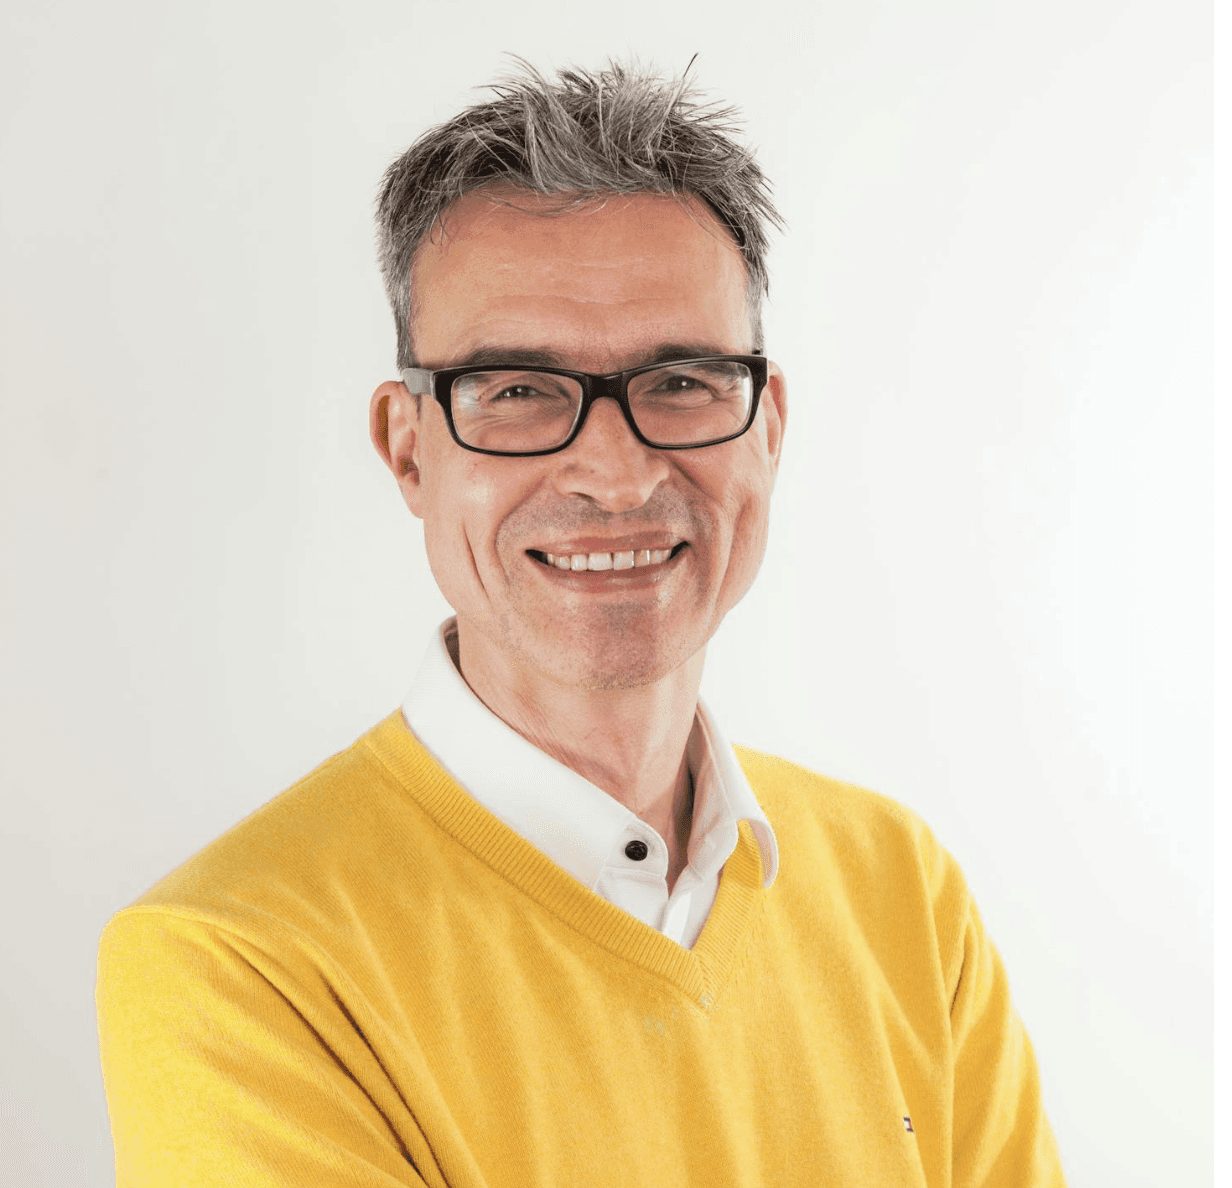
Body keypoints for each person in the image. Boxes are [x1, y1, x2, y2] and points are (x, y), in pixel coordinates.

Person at [96, 60, 1067, 1186]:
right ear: (408, 449)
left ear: (767, 428)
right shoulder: (238, 962)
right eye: (518, 389)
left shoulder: (900, 888)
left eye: (682, 381)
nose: (616, 473)